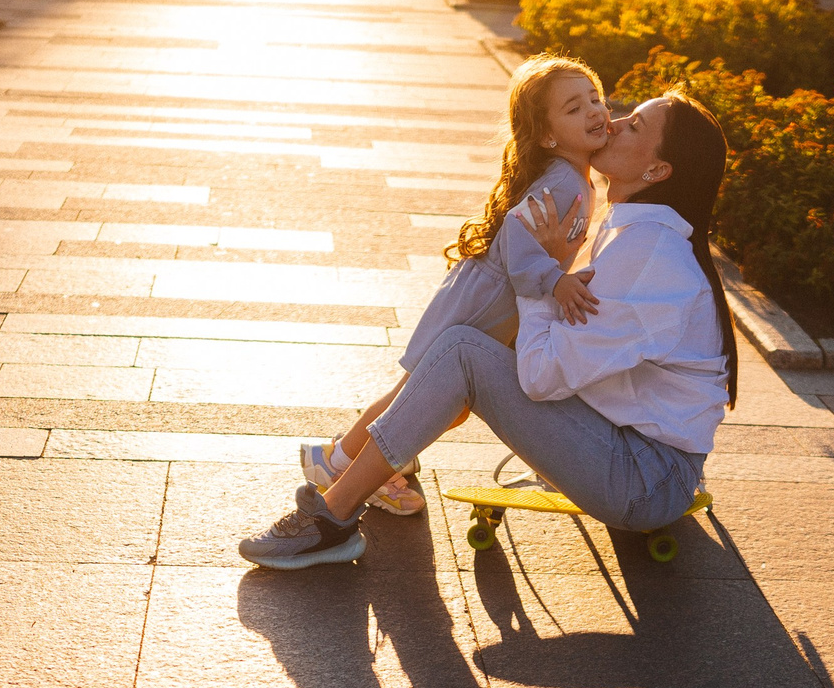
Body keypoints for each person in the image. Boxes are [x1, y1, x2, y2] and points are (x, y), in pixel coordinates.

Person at [240, 91, 737, 569]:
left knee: (462, 351)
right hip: (641, 460)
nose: (616, 120)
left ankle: (333, 516)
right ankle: (367, 464)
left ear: (656, 170)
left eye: (636, 125)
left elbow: (542, 376)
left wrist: (537, 272)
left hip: (644, 481)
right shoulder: (637, 233)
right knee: (474, 348)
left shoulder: (649, 253)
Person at [298, 55, 611, 518]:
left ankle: (373, 461)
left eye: (595, 98)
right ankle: (339, 461)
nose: (594, 111)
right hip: (479, 303)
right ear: (547, 136)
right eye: (573, 108)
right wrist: (555, 282)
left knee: (443, 401)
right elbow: (516, 237)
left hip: (489, 305)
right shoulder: (564, 182)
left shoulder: (577, 178)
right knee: (416, 394)